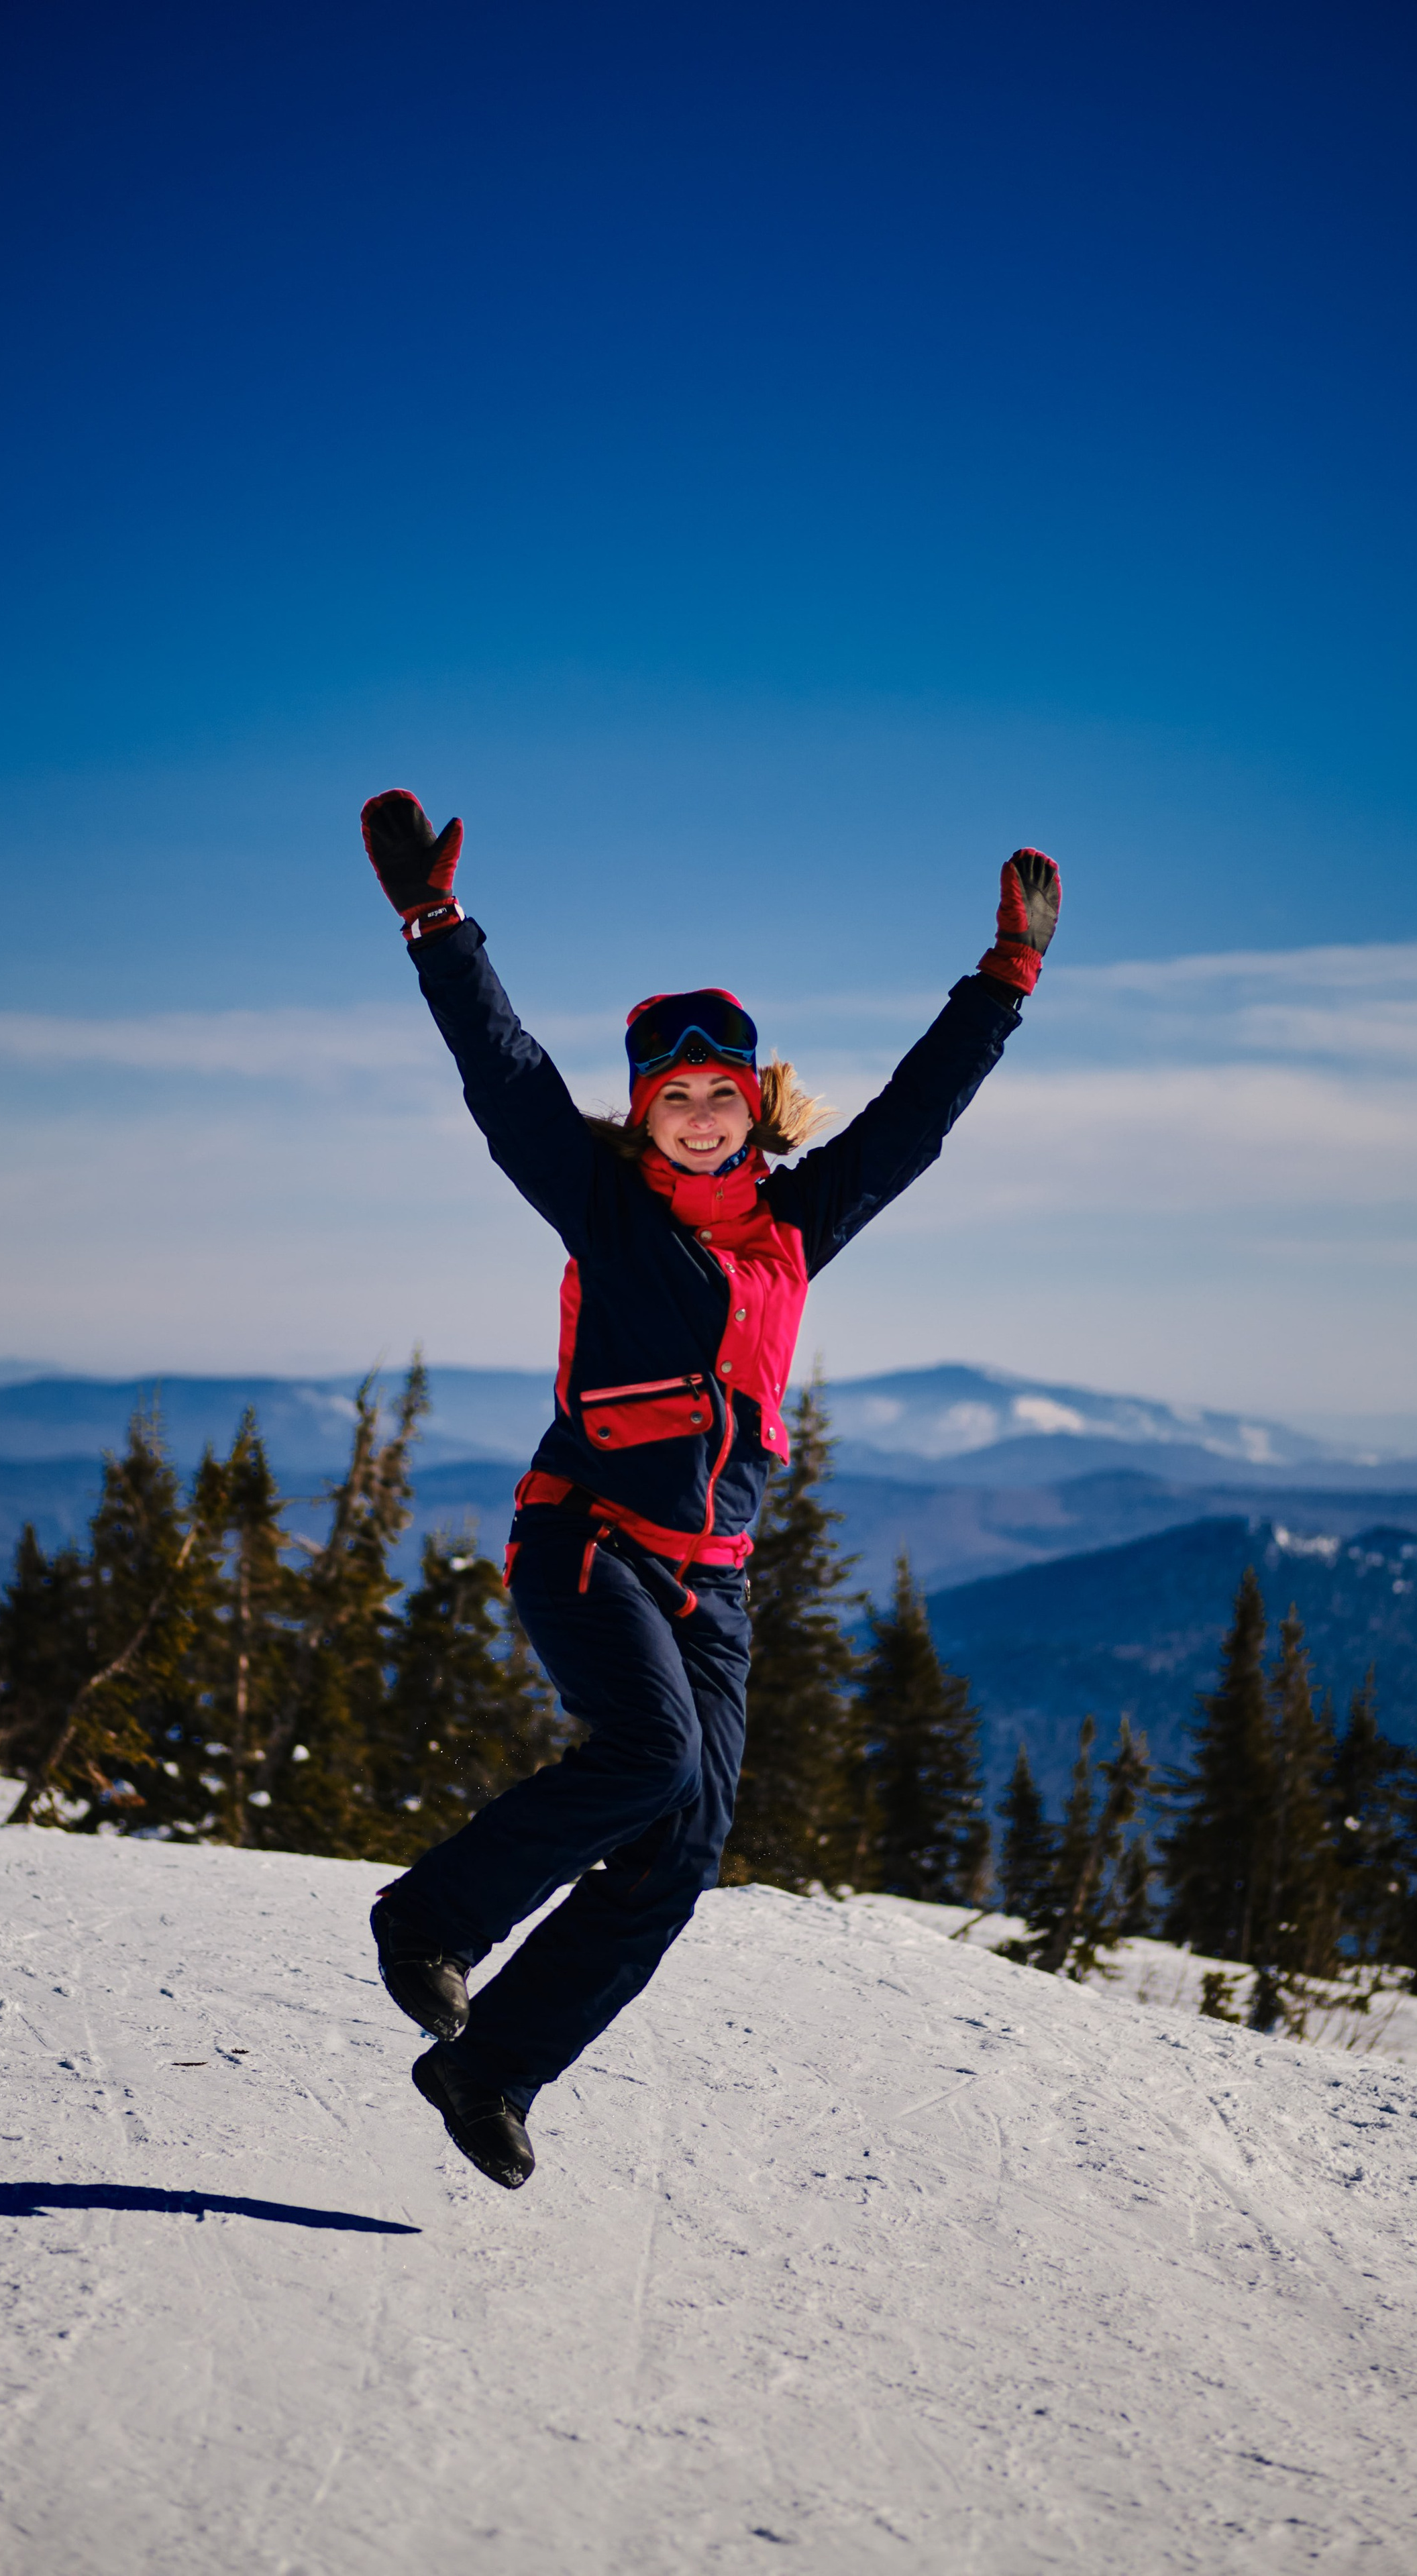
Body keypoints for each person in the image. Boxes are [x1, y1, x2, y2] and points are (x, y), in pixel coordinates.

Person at [359, 787, 1060, 2188]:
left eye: (716, 1096)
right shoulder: (603, 1209)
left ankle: (488, 2067)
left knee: (678, 1852)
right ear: (640, 1114)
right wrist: (437, 926)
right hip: (587, 1538)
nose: (691, 1115)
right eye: (668, 1097)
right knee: (649, 1757)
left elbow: (913, 1121)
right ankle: (426, 1925)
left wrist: (1003, 983)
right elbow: (505, 1079)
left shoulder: (797, 1225)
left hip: (712, 1578)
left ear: (754, 1106)